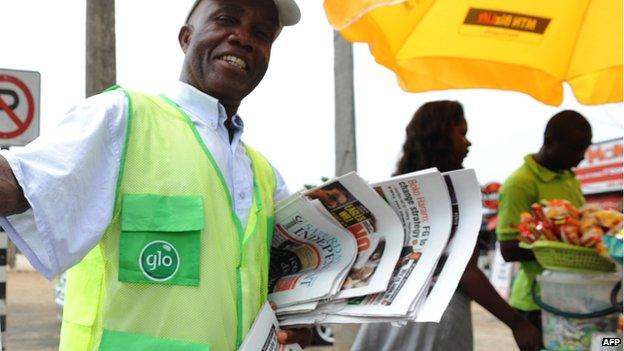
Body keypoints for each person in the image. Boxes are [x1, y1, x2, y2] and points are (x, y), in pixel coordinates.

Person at [0, 0, 312, 349]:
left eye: (261, 33)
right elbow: (17, 183)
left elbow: (281, 286)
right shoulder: (124, 118)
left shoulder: (266, 177)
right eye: (227, 19)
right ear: (186, 37)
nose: (243, 38)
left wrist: (292, 325)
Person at [351, 101, 541, 351]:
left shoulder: (396, 190)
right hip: (436, 323)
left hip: (385, 319)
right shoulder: (457, 194)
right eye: (462, 133)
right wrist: (518, 323)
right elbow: (466, 272)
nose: (468, 142)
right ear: (439, 137)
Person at [496, 110, 592, 331]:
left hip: (577, 298)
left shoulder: (569, 177)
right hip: (537, 303)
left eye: (585, 148)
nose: (582, 156)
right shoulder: (519, 184)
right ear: (549, 142)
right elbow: (508, 250)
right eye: (576, 148)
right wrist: (568, 249)